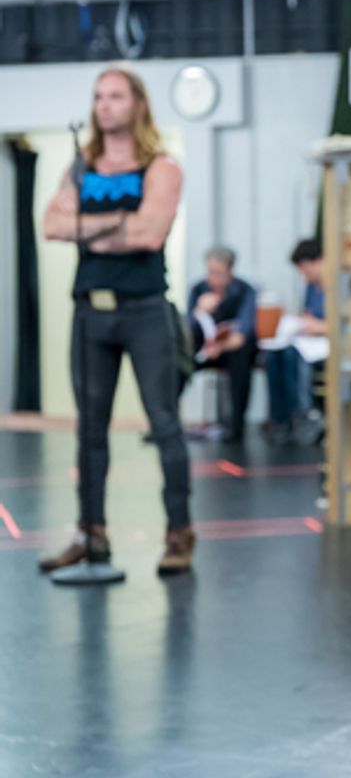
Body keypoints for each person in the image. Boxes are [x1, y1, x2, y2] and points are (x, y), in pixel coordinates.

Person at [38, 65, 196, 576]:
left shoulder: (161, 166)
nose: (105, 105)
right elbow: (51, 224)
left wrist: (87, 228)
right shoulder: (82, 167)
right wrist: (117, 222)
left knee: (164, 423)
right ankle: (92, 535)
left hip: (146, 312)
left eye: (116, 96)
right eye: (99, 97)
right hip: (90, 314)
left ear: (138, 104)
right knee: (90, 431)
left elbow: (151, 235)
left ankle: (179, 532)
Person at [188, 245, 257, 443]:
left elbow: (243, 333)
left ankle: (236, 426)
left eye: (219, 272)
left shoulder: (245, 290)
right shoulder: (198, 289)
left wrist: (220, 346)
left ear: (230, 271)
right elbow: (190, 330)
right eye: (210, 272)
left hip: (231, 351)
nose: (213, 277)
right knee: (176, 362)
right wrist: (200, 311)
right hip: (203, 350)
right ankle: (167, 423)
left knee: (241, 360)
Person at [263, 239, 327, 445]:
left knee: (292, 356)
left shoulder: (334, 287)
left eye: (305, 268)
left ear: (319, 261)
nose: (304, 274)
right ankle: (280, 420)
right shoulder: (311, 287)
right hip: (309, 341)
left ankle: (303, 414)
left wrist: (318, 326)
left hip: (326, 343)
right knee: (273, 355)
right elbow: (307, 314)